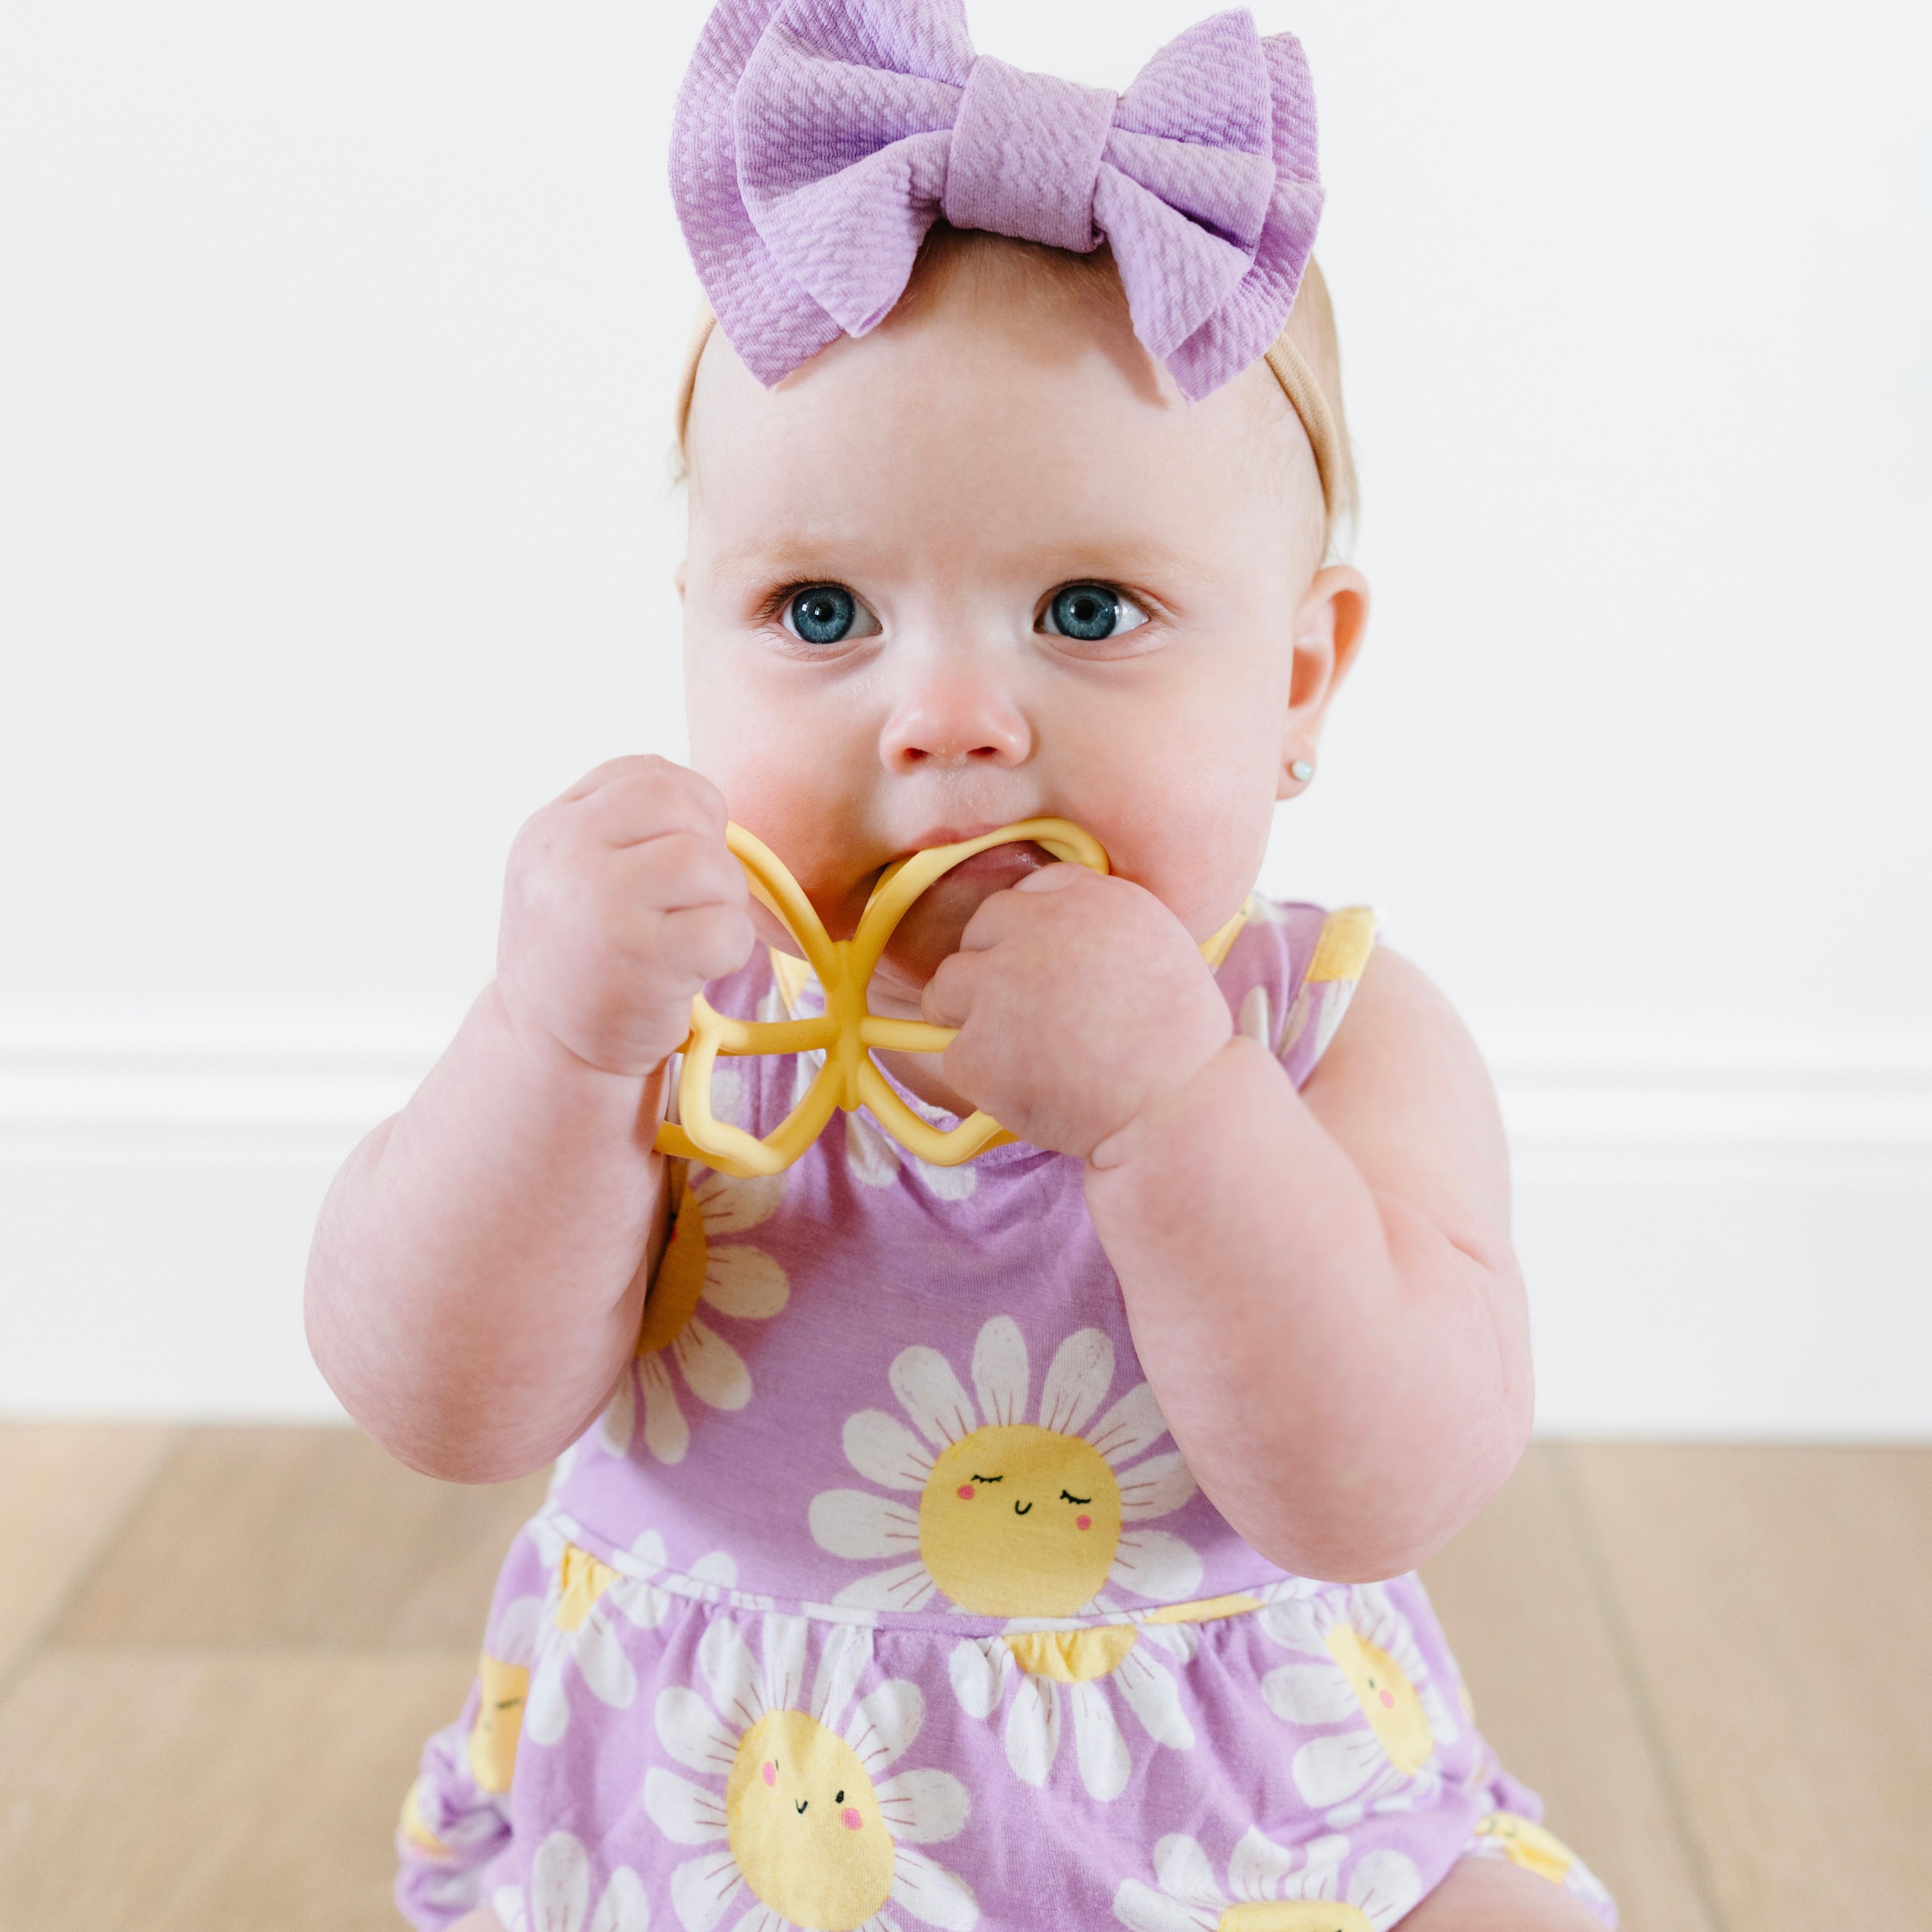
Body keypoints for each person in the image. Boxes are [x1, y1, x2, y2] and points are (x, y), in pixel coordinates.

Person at [307, 3, 1620, 1926]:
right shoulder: (670, 1015)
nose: (940, 715)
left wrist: (1177, 1108)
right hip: (721, 1823)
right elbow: (437, 1404)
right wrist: (545, 1042)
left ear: (1296, 676)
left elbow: (1380, 1485)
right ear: (694, 630)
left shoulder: (1328, 1034)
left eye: (1086, 610)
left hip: (1245, 1835)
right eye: (816, 610)